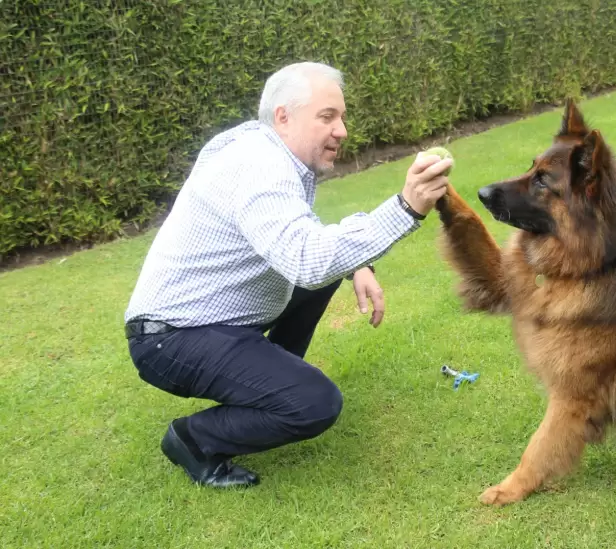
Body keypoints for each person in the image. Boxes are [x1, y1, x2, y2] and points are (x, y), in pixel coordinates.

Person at [123, 61, 452, 488]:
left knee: (321, 276)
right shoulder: (259, 165)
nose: (342, 130)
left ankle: (271, 380)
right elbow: (307, 259)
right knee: (315, 403)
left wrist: (359, 263)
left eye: (342, 116)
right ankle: (194, 440)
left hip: (208, 322)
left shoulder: (263, 153)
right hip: (172, 338)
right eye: (327, 116)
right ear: (284, 116)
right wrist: (406, 208)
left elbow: (307, 238)